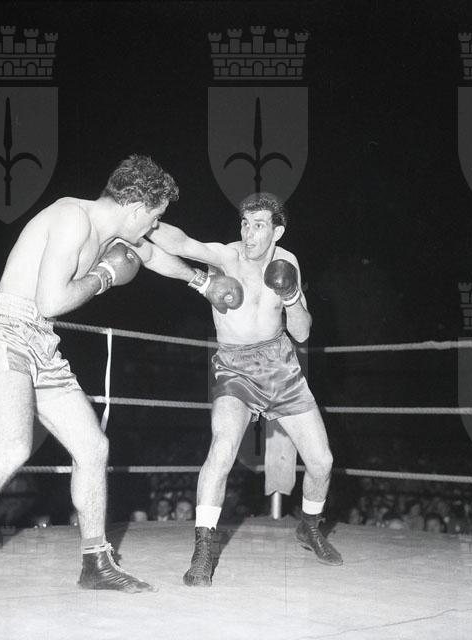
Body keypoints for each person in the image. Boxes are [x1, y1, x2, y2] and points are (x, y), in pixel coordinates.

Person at [0, 155, 243, 624]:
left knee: (92, 446)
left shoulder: (113, 233)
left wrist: (201, 281)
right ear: (135, 207)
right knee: (11, 447)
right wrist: (104, 276)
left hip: (41, 342)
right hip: (6, 331)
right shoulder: (72, 218)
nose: (154, 226)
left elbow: (150, 256)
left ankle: (96, 563)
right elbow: (51, 300)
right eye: (154, 216)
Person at [149, 192, 342, 587]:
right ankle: (204, 549)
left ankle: (309, 527)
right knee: (222, 448)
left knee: (322, 461)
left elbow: (302, 332)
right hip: (234, 366)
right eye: (244, 224)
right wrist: (141, 221)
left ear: (277, 231)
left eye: (258, 226)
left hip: (279, 364)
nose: (248, 234)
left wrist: (291, 296)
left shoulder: (288, 262)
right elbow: (182, 243)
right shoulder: (227, 256)